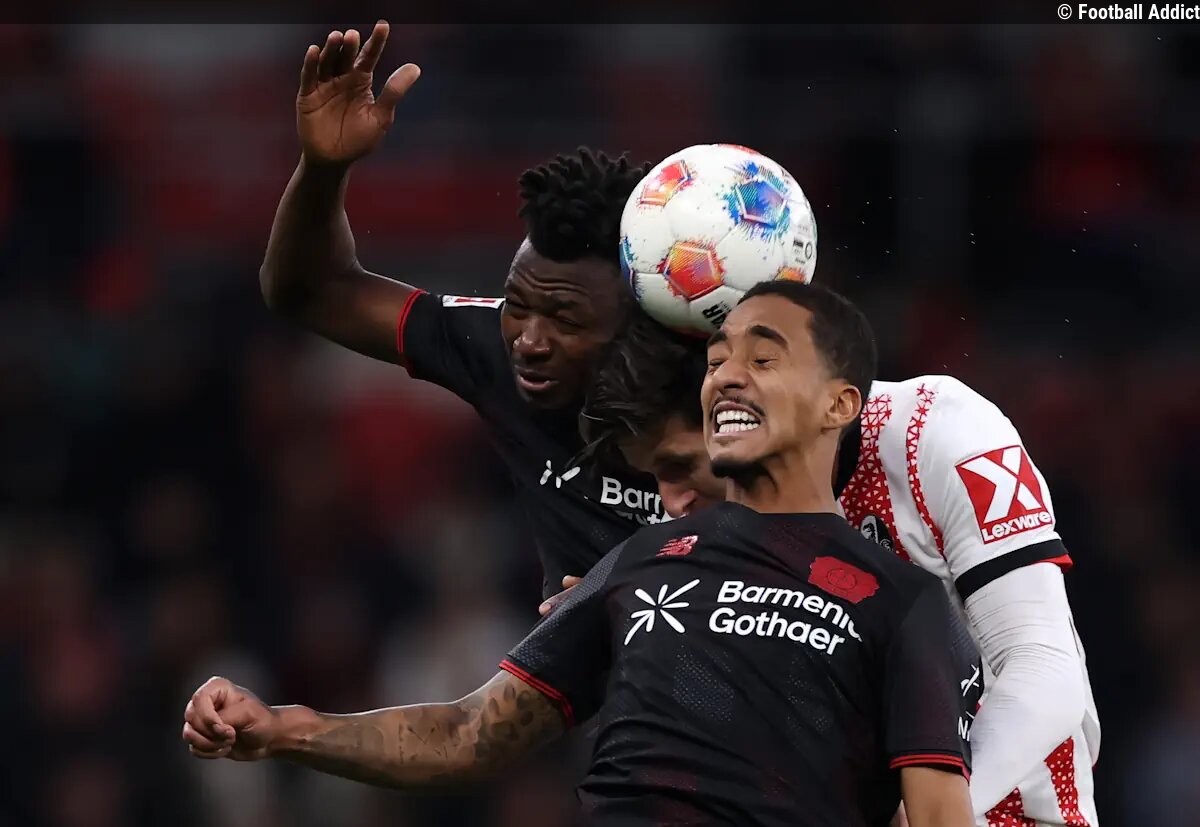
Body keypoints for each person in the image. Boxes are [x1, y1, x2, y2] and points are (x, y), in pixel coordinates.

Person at [183, 282, 980, 827]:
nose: (728, 378)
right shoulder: (644, 561)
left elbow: (940, 815)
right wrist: (283, 728)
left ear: (841, 403)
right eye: (717, 361)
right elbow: (469, 731)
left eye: (762, 359)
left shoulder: (900, 600)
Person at [572, 305, 1100, 827]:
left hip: (1008, 811)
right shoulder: (690, 540)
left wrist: (929, 812)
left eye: (683, 466)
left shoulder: (935, 429)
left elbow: (1045, 670)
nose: (672, 504)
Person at [262, 20, 665, 598]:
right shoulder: (495, 348)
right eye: (518, 304)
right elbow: (310, 291)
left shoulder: (724, 385)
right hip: (575, 652)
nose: (529, 340)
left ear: (640, 325)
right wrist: (324, 170)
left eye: (567, 319)